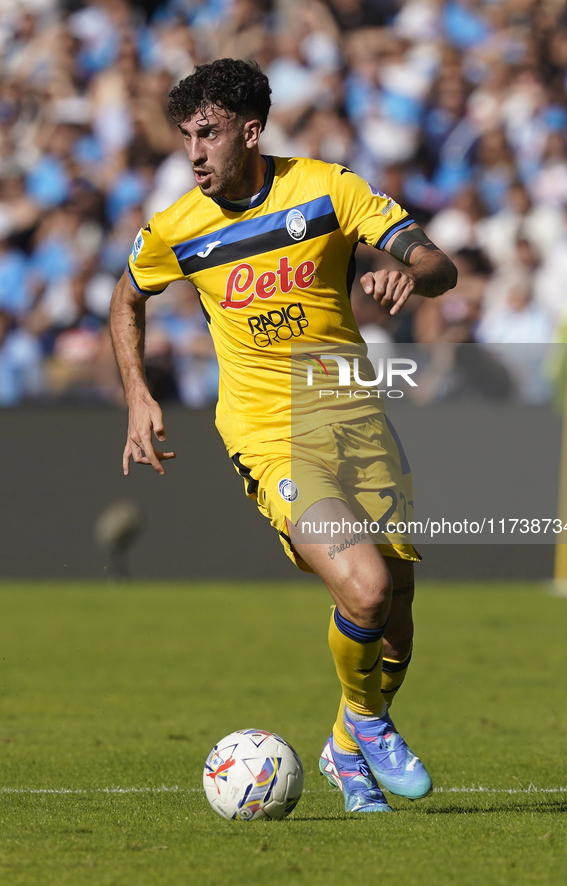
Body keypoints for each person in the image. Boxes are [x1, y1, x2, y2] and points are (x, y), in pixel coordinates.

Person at [110, 58, 457, 814]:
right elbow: (126, 296)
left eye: (208, 133)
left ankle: (341, 744)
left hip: (354, 420)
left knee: (394, 607)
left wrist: (410, 273)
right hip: (270, 433)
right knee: (362, 590)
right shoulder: (176, 227)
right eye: (185, 137)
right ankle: (365, 721)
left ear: (251, 131)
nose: (194, 151)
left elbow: (436, 264)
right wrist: (137, 392)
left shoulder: (328, 189)